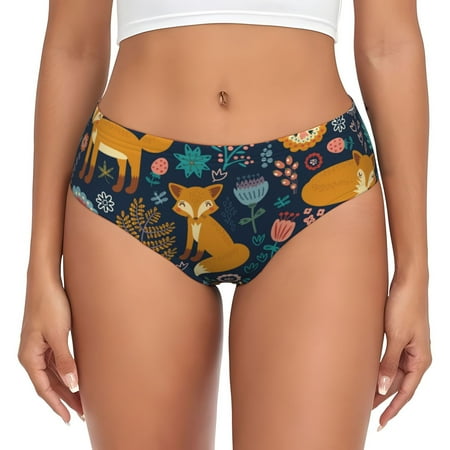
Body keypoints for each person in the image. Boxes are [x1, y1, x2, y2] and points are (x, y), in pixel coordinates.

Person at [18, 0, 432, 448]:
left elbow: (389, 44)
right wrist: (41, 270)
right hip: (135, 186)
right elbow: (74, 47)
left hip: (318, 179)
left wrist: (414, 273)